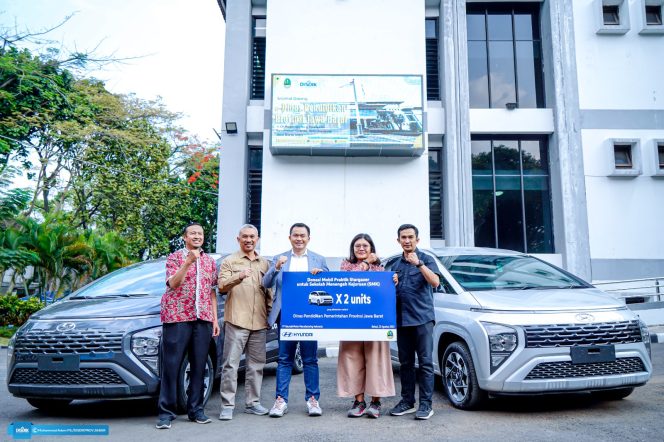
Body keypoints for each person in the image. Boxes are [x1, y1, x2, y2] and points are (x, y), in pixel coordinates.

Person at [156, 222, 220, 430]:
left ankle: (196, 410)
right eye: (193, 233)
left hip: (202, 318)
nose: (197, 236)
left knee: (199, 365)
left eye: (200, 233)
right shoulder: (175, 257)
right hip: (177, 317)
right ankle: (166, 412)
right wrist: (188, 263)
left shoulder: (210, 261)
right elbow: (173, 284)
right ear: (185, 237)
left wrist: (215, 320)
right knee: (171, 365)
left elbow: (211, 291)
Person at [263, 222, 329, 417]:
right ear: (290, 237)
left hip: (309, 315)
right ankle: (280, 401)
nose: (299, 238)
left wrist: (322, 276)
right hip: (287, 315)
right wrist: (275, 268)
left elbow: (328, 286)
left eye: (303, 235)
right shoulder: (279, 258)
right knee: (284, 359)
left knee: (310, 359)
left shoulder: (318, 259)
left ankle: (312, 400)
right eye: (295, 235)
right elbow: (265, 283)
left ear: (309, 238)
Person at [337, 233, 395, 418]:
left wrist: (393, 281)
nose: (361, 248)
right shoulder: (345, 266)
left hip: (375, 322)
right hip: (350, 322)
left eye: (365, 246)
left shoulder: (381, 268)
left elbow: (385, 292)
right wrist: (365, 264)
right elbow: (346, 283)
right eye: (357, 246)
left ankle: (375, 403)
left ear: (371, 248)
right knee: (351, 360)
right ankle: (359, 401)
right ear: (352, 249)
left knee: (376, 360)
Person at [217, 224, 272, 420]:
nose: (248, 240)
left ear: (257, 239)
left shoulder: (264, 263)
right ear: (238, 239)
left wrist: (271, 315)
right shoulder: (229, 262)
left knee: (256, 365)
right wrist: (238, 276)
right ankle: (227, 405)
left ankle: (253, 403)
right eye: (245, 237)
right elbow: (222, 286)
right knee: (230, 365)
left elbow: (269, 292)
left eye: (252, 237)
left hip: (259, 321)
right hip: (236, 321)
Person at [389, 224, 440, 420]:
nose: (407, 240)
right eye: (403, 237)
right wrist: (391, 282)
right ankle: (407, 402)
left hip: (423, 320)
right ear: (399, 240)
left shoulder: (426, 259)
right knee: (406, 364)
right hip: (402, 320)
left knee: (426, 363)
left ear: (417, 240)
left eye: (411, 237)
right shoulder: (395, 265)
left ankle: (426, 405)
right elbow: (390, 293)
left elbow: (435, 282)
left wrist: (419, 264)